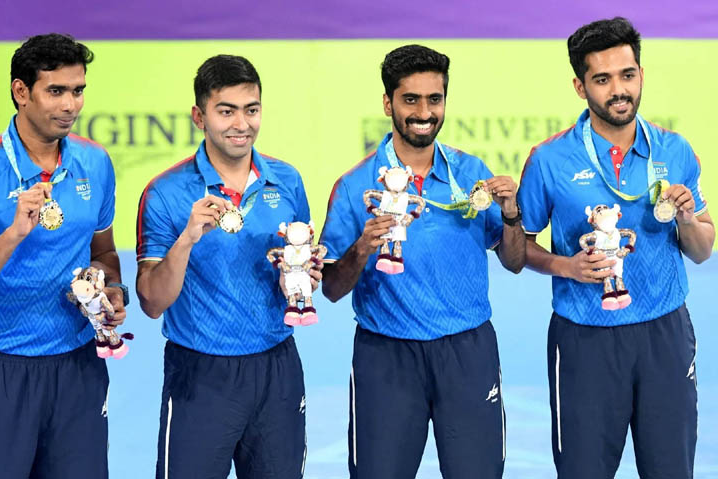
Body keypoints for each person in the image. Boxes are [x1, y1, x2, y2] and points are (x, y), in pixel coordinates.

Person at [517, 17, 714, 478]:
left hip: (665, 334)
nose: (619, 90)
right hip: (584, 338)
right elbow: (517, 246)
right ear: (580, 86)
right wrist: (565, 266)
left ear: (641, 74)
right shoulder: (549, 160)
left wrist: (687, 219)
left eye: (627, 75)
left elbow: (703, 249)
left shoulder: (674, 150)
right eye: (602, 79)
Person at [319, 44, 525, 479]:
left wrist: (511, 215)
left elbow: (514, 260)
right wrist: (362, 247)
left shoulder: (471, 173)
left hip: (468, 352)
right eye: (410, 99)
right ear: (388, 103)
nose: (424, 112)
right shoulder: (355, 186)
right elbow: (332, 288)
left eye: (435, 99)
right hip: (386, 356)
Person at [0, 33, 127, 479]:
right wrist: (13, 234)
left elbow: (104, 252)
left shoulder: (96, 163)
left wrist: (109, 290)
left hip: (78, 369)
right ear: (21, 91)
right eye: (55, 91)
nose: (71, 105)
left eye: (78, 90)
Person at [135, 54, 315, 479]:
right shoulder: (165, 193)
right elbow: (151, 302)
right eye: (226, 111)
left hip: (277, 369)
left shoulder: (287, 181)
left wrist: (303, 274)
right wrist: (187, 239)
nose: (241, 124)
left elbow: (301, 268)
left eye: (251, 110)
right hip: (200, 375)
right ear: (199, 116)